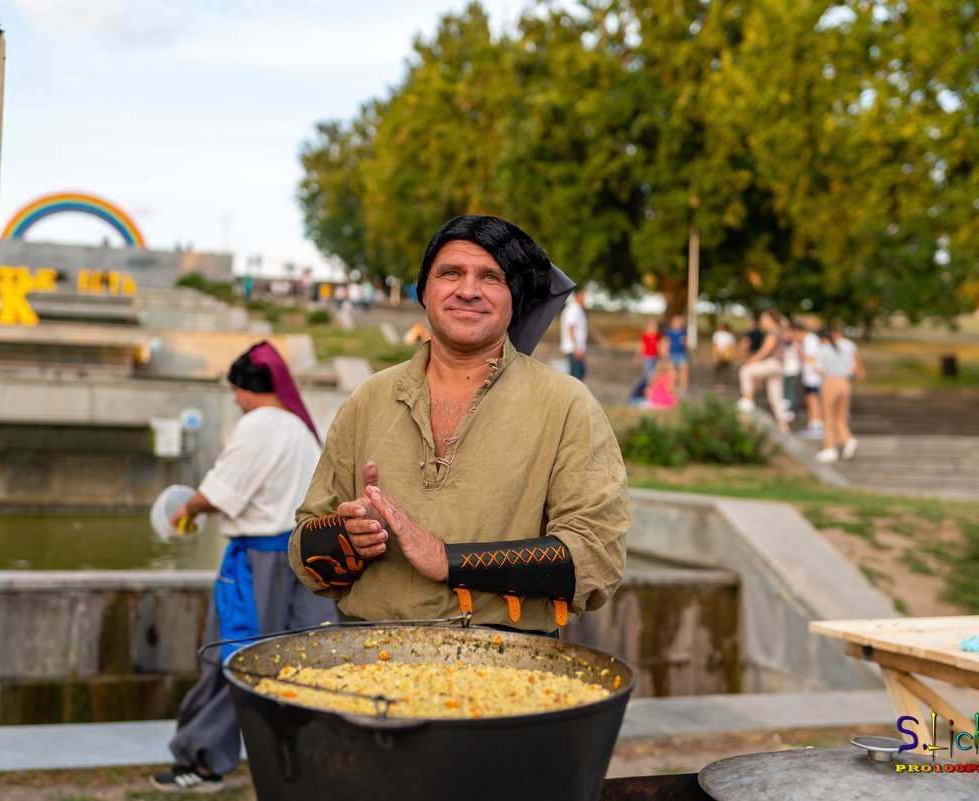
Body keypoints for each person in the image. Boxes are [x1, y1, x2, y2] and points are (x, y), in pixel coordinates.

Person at [288, 215, 629, 638]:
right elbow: (303, 547)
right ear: (425, 290)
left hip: (512, 671)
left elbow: (596, 555)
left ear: (513, 299)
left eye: (491, 277)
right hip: (373, 660)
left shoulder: (565, 404)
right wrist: (349, 537)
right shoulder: (369, 399)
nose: (467, 290)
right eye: (451, 272)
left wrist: (447, 560)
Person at [150, 342, 338, 793]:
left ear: (252, 389)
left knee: (231, 655)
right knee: (298, 662)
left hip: (259, 565)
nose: (234, 399)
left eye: (237, 391)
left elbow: (218, 493)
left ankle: (203, 761)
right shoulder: (300, 429)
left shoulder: (259, 425)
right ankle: (303, 758)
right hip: (305, 562)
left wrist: (183, 511)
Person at [736, 311, 788, 430]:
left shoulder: (773, 332)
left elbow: (766, 350)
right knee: (775, 397)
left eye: (764, 319)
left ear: (770, 319)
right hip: (779, 366)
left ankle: (748, 399)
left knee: (745, 370)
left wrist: (752, 360)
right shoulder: (780, 330)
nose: (763, 321)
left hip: (773, 363)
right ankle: (783, 425)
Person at [814, 328, 860, 462]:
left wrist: (810, 363)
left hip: (831, 382)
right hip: (845, 382)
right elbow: (853, 367)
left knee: (828, 416)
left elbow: (821, 371)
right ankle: (848, 440)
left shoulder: (823, 350)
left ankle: (830, 448)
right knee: (840, 416)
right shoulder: (843, 349)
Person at [798, 325, 825, 438]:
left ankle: (816, 423)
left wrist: (799, 351)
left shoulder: (810, 340)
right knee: (811, 398)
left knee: (813, 398)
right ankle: (814, 423)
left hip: (813, 377)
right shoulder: (808, 340)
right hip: (810, 376)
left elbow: (812, 357)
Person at [630, 319, 663, 402]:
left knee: (653, 374)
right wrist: (637, 356)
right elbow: (642, 346)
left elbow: (660, 345)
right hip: (647, 357)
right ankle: (644, 389)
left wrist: (661, 354)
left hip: (655, 357)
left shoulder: (657, 335)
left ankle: (651, 391)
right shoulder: (645, 335)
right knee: (648, 374)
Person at [560, 288, 589, 380]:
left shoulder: (577, 309)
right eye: (584, 296)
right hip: (574, 348)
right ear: (578, 296)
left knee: (576, 374)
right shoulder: (573, 309)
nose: (585, 299)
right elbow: (570, 328)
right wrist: (576, 348)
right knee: (577, 375)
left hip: (576, 348)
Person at [665, 314, 690, 393]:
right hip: (672, 353)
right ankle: (672, 387)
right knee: (672, 371)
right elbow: (666, 342)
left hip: (682, 353)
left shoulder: (684, 332)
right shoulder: (669, 332)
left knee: (684, 369)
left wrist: (685, 342)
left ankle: (683, 387)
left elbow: (686, 343)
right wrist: (666, 351)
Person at [711, 321, 737, 391]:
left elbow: (715, 345)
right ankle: (722, 383)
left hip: (723, 354)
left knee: (721, 369)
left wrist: (718, 354)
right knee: (723, 369)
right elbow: (732, 346)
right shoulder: (729, 335)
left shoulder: (718, 334)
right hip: (725, 354)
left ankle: (720, 383)